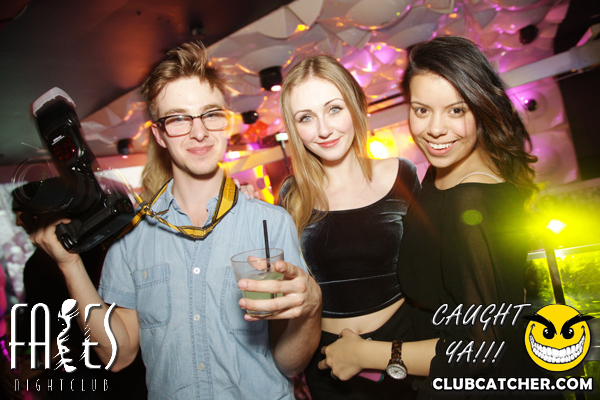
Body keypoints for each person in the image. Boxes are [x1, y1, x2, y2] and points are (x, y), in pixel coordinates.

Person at [30, 42, 322, 400]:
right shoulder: (132, 234)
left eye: (210, 114)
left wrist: (310, 310)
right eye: (179, 118)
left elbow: (289, 364)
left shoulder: (270, 224)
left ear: (225, 123)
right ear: (160, 135)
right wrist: (70, 265)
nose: (199, 132)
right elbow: (118, 356)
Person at [319, 36, 544, 398]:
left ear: (481, 107)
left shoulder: (472, 201)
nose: (435, 129)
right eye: (422, 110)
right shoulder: (439, 177)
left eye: (456, 111)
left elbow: (482, 350)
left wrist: (366, 354)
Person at [277, 54, 422, 399]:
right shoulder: (292, 195)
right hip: (327, 365)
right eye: (306, 117)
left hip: (403, 349)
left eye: (334, 109)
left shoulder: (401, 174)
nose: (324, 130)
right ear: (294, 128)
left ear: (355, 105)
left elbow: (431, 270)